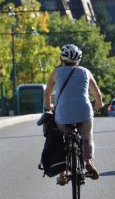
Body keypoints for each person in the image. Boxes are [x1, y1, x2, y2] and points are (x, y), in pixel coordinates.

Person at [44, 44, 103, 185]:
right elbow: (98, 95)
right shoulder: (85, 72)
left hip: (63, 115)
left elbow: (47, 94)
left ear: (61, 59)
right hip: (84, 112)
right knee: (87, 138)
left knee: (61, 141)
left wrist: (49, 107)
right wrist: (98, 105)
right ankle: (88, 161)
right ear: (78, 60)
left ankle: (62, 175)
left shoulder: (56, 72)